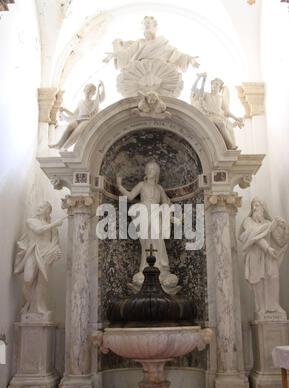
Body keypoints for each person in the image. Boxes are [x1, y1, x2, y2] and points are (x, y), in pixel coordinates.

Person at [117, 161, 180, 294]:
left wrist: (171, 213)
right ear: (146, 171)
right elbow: (130, 196)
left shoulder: (159, 188)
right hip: (144, 213)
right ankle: (145, 267)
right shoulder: (141, 185)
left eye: (153, 169)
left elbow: (166, 202)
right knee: (146, 241)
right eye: (149, 168)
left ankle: (161, 267)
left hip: (156, 214)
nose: (151, 170)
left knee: (158, 240)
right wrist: (119, 186)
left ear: (157, 172)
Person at [104, 16, 199, 97]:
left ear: (155, 26)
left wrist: (189, 59)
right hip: (138, 79)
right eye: (144, 24)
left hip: (163, 79)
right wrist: (116, 48)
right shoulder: (139, 43)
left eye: (148, 23)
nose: (146, 26)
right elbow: (125, 57)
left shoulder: (163, 43)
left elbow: (177, 55)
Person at [239, 197, 289, 319]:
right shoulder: (248, 221)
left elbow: (279, 242)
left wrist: (284, 228)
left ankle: (274, 305)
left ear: (264, 208)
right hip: (256, 255)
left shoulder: (268, 223)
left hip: (269, 256)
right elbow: (254, 235)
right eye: (253, 205)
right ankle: (261, 307)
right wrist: (267, 247)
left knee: (273, 277)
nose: (255, 208)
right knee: (258, 281)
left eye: (258, 205)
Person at [14, 202, 65, 315]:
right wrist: (54, 224)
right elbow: (38, 230)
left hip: (46, 254)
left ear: (47, 211)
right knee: (28, 279)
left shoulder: (54, 229)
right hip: (33, 251)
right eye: (38, 206)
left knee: (43, 282)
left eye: (41, 207)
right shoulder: (31, 221)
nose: (38, 208)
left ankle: (39, 307)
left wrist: (56, 252)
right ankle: (29, 303)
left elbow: (56, 243)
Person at [191, 73, 244, 150]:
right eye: (213, 84)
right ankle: (231, 145)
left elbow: (227, 112)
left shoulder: (220, 98)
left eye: (216, 84)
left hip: (218, 117)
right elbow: (194, 89)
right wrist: (201, 78)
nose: (214, 86)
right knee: (221, 124)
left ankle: (229, 146)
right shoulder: (206, 94)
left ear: (219, 88)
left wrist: (236, 118)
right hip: (209, 116)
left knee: (225, 124)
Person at [49, 81, 104, 150]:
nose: (88, 91)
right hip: (78, 120)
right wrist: (65, 110)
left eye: (90, 91)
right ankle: (59, 144)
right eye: (87, 89)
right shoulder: (80, 102)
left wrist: (101, 87)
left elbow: (101, 98)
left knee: (77, 132)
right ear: (84, 90)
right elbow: (74, 114)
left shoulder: (93, 102)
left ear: (93, 93)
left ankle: (65, 147)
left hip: (87, 120)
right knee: (70, 126)